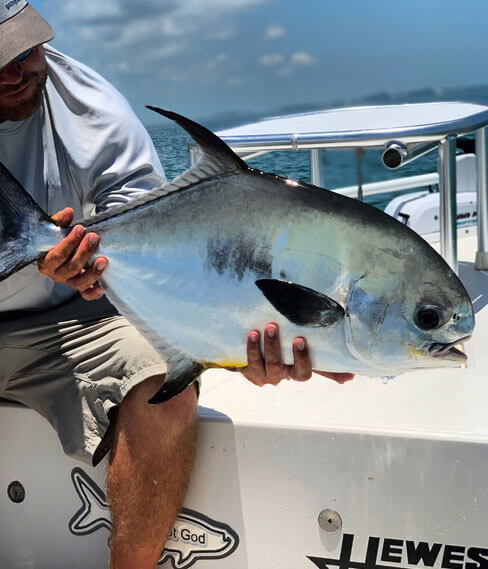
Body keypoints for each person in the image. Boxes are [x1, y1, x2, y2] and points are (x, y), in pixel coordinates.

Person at [0, 3, 353, 568]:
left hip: (69, 321)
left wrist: (236, 342)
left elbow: (142, 253)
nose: (16, 72)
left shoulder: (95, 115)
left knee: (165, 385)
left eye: (25, 49)